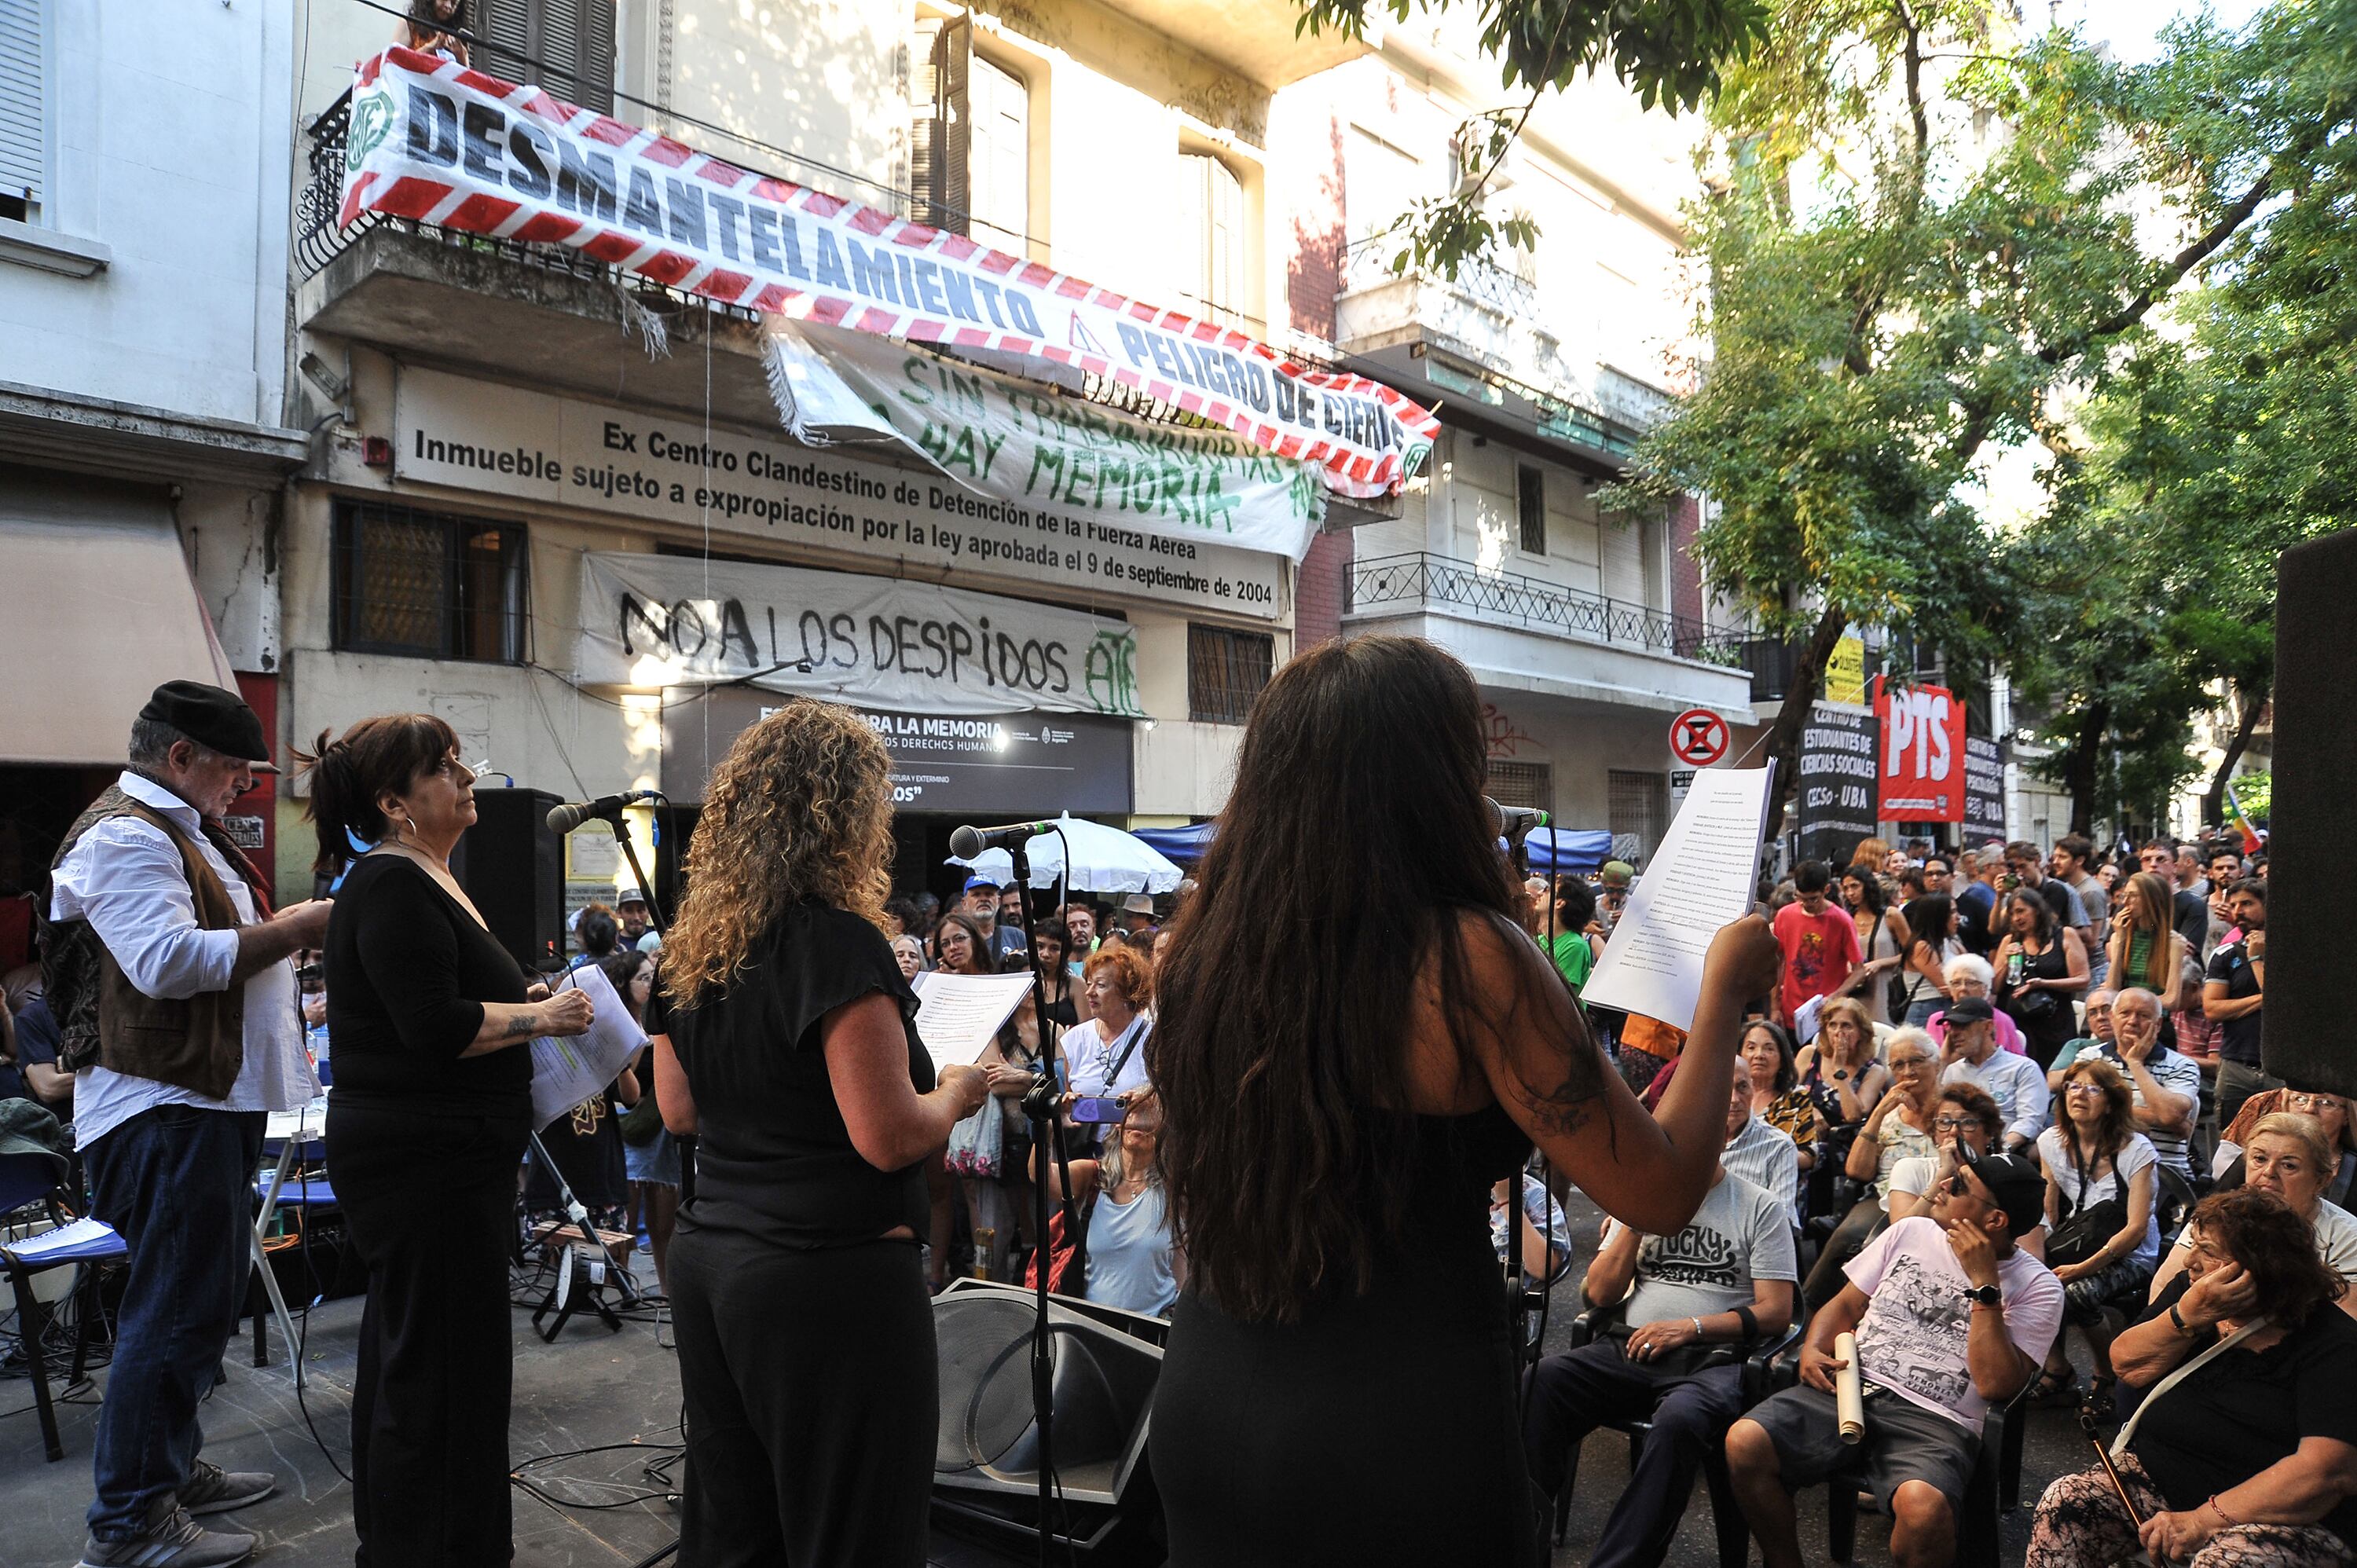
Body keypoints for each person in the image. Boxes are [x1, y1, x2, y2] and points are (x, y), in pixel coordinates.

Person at [1146, 634, 1783, 1568]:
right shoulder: (1466, 961)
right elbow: (1659, 1190)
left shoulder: (1207, 955)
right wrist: (1723, 996)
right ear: (1432, 781)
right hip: (1396, 1418)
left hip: (1213, 1396)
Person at [645, 699, 990, 1565]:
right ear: (845, 817)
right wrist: (957, 1091)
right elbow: (886, 1134)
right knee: (854, 1534)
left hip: (713, 1262)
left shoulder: (694, 950)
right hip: (826, 1283)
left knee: (738, 1530)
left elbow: (679, 1112)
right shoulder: (836, 944)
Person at [46, 683, 332, 1568]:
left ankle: (162, 1474)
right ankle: (129, 1522)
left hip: (202, 1102)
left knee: (195, 1303)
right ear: (181, 759)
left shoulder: (173, 832)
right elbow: (170, 964)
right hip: (164, 1108)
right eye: (235, 769)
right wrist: (300, 928)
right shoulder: (127, 834)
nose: (245, 786)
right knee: (172, 1309)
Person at [300, 713, 592, 1568]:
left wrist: (525, 1005)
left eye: (463, 761)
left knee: (429, 1356)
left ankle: (431, 1540)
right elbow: (431, 1025)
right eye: (445, 767)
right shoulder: (391, 884)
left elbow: (443, 999)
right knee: (437, 1370)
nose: (466, 778)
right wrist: (544, 1014)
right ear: (396, 802)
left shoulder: (425, 875)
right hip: (422, 1163)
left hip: (445, 1157)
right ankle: (428, 1547)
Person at [1728, 1151, 2063, 1568]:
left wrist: (1985, 1287)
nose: (1942, 1185)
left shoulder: (2040, 1287)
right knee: (1745, 1443)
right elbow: (1846, 1305)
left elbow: (1996, 1385)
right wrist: (1813, 1347)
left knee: (1924, 1512)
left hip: (1938, 1419)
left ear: (1996, 1220)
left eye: (1958, 1186)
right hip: (1851, 1385)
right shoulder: (1911, 1231)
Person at [1522, 1068, 1799, 1568]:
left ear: (1718, 1139)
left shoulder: (1759, 1207)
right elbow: (1601, 1292)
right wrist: (1635, 1219)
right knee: (1539, 1383)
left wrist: (1690, 1327)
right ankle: (1526, 1543)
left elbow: (1777, 1312)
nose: (1678, 1150)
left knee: (1679, 1422)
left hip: (1710, 1361)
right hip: (1630, 1347)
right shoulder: (1640, 1202)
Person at [2032, 1189, 2357, 1568]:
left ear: (2261, 1267)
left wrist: (2203, 1521)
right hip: (2163, 1479)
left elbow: (2326, 1474)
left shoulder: (2333, 1344)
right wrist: (2185, 1318)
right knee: (2067, 1501)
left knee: (2226, 1562)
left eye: (2208, 1251)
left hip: (2280, 1515)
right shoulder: (2195, 1297)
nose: (2191, 1260)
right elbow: (2126, 1365)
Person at [2033, 1058, 2160, 1402]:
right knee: (2031, 1280)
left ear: (2111, 1102)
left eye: (2093, 1088)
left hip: (2130, 1255)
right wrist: (2037, 1258)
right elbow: (2049, 1204)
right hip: (2078, 1240)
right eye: (2073, 1086)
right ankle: (2057, 1368)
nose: (2080, 1095)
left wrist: (2081, 1269)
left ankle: (2105, 1375)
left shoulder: (2136, 1150)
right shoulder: (2051, 1142)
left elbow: (2136, 1229)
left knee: (2076, 1292)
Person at [2150, 1112, 2357, 1318]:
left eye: (2289, 1165)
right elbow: (2163, 1286)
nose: (2269, 1172)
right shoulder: (2215, 1216)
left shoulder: (2349, 1238)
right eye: (2259, 1159)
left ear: (2321, 1180)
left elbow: (2346, 1327)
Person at [1802, 1028, 1941, 1310]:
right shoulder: (1888, 1114)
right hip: (1885, 1196)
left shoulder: (1954, 1108)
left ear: (1936, 1063)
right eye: (1898, 1065)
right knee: (1848, 1237)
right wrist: (1878, 1113)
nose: (1907, 1071)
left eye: (1916, 1061)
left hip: (1939, 1198)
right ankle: (1805, 1312)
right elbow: (1857, 1171)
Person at [1032, 1090, 1181, 1316]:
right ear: (1117, 1124)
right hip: (1094, 1325)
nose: (1138, 1121)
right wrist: (1050, 1123)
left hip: (1153, 1327)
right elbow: (1040, 1177)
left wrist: (1160, 1097)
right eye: (1129, 1111)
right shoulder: (1092, 1176)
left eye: (1149, 1113)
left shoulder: (1176, 1186)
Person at [2049, 987, 2201, 1181]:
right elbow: (2077, 1110)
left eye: (2143, 1015)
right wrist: (2153, 1116)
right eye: (2125, 1013)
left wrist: (2135, 1063)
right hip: (2094, 1166)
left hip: (2161, 1170)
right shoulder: (2091, 1057)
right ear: (2113, 1018)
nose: (2132, 1021)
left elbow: (2170, 1114)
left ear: (2158, 1024)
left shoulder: (2182, 1065)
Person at [607, 948, 679, 1295]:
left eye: (653, 976)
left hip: (660, 1129)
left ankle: (666, 1287)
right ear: (625, 983)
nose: (651, 983)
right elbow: (622, 1081)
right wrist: (639, 1039)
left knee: (665, 1217)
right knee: (627, 1217)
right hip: (627, 1124)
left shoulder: (662, 1016)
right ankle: (622, 1286)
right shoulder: (619, 1022)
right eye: (644, 977)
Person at [1937, 995, 2050, 1152]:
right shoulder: (1952, 1071)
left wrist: (1999, 1150)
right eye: (1951, 1026)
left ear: (1988, 1027)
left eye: (1962, 1025)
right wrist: (1943, 1062)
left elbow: (2030, 1121)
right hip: (1958, 1151)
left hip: (2006, 1152)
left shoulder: (2023, 1067)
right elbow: (1938, 1118)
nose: (1953, 1033)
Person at [1992, 888, 2089, 1070]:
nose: (2016, 918)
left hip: (2056, 1021)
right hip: (2019, 1023)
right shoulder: (2009, 941)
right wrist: (2006, 960)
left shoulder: (2065, 935)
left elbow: (2083, 979)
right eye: (2012, 914)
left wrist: (2043, 983)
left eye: (2021, 911)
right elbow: (1995, 988)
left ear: (2037, 909)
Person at [1885, 1084, 2007, 1225]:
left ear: (1989, 1133)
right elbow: (1900, 1234)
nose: (1954, 1131)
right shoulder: (1910, 1168)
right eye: (1944, 1122)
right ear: (1934, 1134)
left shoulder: (2005, 1176)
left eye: (1967, 1122)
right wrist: (1944, 1174)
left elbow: (2026, 1246)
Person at [2206, 878, 2275, 1127]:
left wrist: (2256, 958)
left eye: (2247, 903)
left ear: (2268, 906)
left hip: (2279, 1069)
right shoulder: (2224, 955)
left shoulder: (2293, 952)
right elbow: (2212, 1009)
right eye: (2233, 905)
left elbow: (2284, 1011)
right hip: (2236, 1065)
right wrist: (2266, 1000)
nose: (2238, 911)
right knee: (2229, 1147)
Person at [2216, 1089, 2357, 1203]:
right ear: (2286, 1106)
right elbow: (2216, 1208)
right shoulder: (2256, 1157)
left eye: (2326, 1103)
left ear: (2347, 1115)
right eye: (2300, 1099)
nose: (2309, 1109)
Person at [1773, 861, 1862, 1031]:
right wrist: (1774, 1007)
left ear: (1826, 890)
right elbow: (1777, 962)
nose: (1806, 904)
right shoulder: (1785, 915)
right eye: (1800, 898)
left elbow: (1859, 970)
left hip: (1828, 1014)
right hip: (1791, 1011)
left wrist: (1834, 996)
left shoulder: (1841, 921)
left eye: (1813, 899)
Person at [1063, 943, 1154, 1108]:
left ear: (1127, 991)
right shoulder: (1074, 1039)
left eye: (1101, 985)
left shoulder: (1154, 1040)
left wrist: (1147, 1099)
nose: (1089, 992)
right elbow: (1068, 1096)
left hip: (1132, 1132)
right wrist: (1069, 1105)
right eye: (1089, 983)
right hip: (1088, 1133)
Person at [1722, 1049, 1803, 1223]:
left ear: (1753, 1089)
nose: (1734, 1099)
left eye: (1742, 1087)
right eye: (1724, 1088)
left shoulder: (1779, 1146)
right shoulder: (1691, 1140)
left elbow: (1782, 1220)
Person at [2106, 870, 2194, 1013]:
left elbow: (2172, 1000)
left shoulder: (2175, 943)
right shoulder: (2119, 937)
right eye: (2124, 895)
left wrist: (2129, 1001)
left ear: (2153, 900)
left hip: (2156, 1020)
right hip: (2124, 1018)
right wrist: (2119, 940)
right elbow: (2111, 991)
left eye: (2133, 895)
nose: (2125, 902)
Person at [1741, 1020, 1820, 1177]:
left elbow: (1809, 1156)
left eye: (1769, 1049)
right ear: (1739, 1055)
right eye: (1751, 1048)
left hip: (1778, 1179)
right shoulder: (1727, 1096)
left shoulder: (1797, 1098)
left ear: (1782, 1059)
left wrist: (1766, 1157)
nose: (1759, 1055)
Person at [1839, 864, 1912, 1027]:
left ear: (1867, 885)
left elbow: (1912, 954)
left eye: (1855, 886)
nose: (1851, 892)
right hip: (1853, 989)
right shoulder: (1846, 918)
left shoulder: (1891, 915)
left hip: (1885, 989)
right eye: (1846, 888)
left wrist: (1880, 963)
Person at [1927, 952, 2029, 1056]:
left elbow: (2017, 1059)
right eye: (1956, 983)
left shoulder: (2001, 1019)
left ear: (1984, 988)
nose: (1963, 988)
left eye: (1971, 983)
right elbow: (1932, 1064)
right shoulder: (1937, 1020)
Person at [2008, 838, 2092, 946]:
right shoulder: (2013, 891)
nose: (2019, 873)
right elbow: (1994, 929)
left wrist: (2025, 895)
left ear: (2037, 862)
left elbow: (2086, 934)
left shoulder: (2059, 889)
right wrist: (2000, 896)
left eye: (2022, 866)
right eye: (2014, 869)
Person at [2051, 834, 2110, 985]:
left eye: (2062, 857)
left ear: (2079, 860)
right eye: (2055, 856)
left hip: (2091, 970)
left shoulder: (2091, 891)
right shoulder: (2065, 886)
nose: (2056, 862)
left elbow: (2093, 940)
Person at [1894, 893, 1957, 1027]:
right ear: (1938, 917)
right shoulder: (1921, 947)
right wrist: (1956, 986)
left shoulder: (1951, 943)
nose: (1958, 917)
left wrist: (1956, 986)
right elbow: (1944, 983)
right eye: (1952, 912)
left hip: (1947, 1008)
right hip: (1925, 1011)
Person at [1546, 874, 1602, 991]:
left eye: (1548, 891)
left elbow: (1558, 993)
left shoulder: (1575, 946)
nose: (1541, 894)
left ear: (1559, 903)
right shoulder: (1539, 938)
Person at [396, 0, 469, 61]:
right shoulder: (409, 24)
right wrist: (431, 47)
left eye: (453, 3)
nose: (448, 6)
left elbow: (466, 77)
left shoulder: (456, 37)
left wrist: (463, 57)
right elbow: (395, 64)